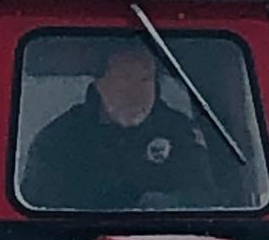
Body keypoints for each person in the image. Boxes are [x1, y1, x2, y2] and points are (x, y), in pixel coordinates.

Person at [21, 39, 211, 210]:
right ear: (100, 83)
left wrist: (170, 204)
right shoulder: (61, 139)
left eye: (145, 79)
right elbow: (38, 211)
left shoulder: (179, 131)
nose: (136, 93)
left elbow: (208, 198)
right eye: (125, 79)